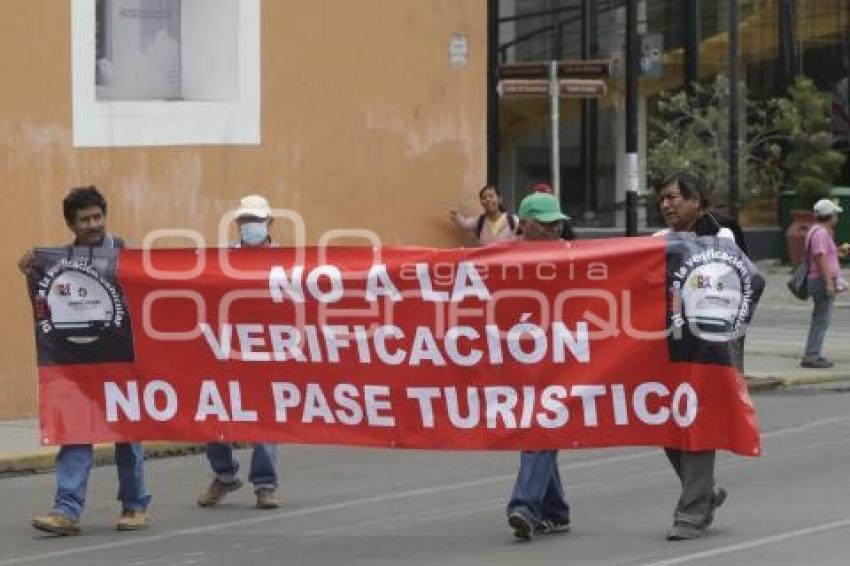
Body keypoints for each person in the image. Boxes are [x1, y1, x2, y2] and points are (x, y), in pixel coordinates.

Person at [19, 186, 151, 536]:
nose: (93, 224)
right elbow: (44, 307)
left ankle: (135, 506)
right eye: (85, 220)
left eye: (97, 217)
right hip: (77, 364)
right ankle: (66, 511)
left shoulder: (126, 254)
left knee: (128, 436)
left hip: (123, 361)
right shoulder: (59, 263)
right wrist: (31, 276)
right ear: (71, 225)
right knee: (75, 433)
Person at [653, 170, 740, 541]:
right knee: (666, 423)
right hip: (665, 346)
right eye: (663, 199)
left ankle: (690, 513)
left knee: (698, 422)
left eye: (674, 197)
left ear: (696, 200)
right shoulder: (657, 241)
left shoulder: (721, 238)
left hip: (709, 348)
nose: (667, 205)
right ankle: (705, 493)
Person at [197, 194, 281, 509]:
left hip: (267, 349)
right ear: (237, 224)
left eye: (257, 221)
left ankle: (265, 484)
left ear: (270, 223)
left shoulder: (287, 261)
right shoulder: (222, 259)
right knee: (213, 413)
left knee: (265, 418)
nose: (251, 227)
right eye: (246, 221)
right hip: (226, 348)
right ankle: (224, 475)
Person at [505, 192, 571, 541]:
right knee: (541, 424)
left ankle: (525, 507)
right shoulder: (502, 258)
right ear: (525, 225)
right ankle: (555, 509)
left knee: (541, 423)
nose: (554, 229)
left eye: (557, 223)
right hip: (521, 356)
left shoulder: (572, 257)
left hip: (561, 355)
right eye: (546, 224)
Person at [800, 198, 850, 368]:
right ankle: (812, 355)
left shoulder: (818, 230)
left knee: (821, 318)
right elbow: (820, 257)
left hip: (820, 279)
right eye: (835, 214)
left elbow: (825, 255)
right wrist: (829, 282)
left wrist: (837, 251)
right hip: (821, 280)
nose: (837, 217)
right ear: (829, 216)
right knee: (821, 319)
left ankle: (813, 353)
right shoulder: (820, 233)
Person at [448, 185, 518, 245]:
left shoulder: (513, 220)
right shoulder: (479, 221)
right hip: (486, 260)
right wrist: (456, 216)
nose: (487, 199)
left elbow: (522, 240)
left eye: (491, 196)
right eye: (484, 198)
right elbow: (464, 224)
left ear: (500, 199)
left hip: (506, 260)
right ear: (481, 203)